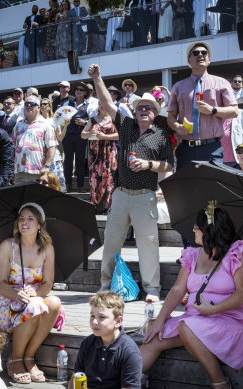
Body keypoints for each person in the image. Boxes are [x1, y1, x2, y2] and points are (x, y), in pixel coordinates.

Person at [140, 204, 243, 388]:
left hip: (231, 320)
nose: (193, 230)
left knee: (187, 328)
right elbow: (177, 290)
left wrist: (213, 309)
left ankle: (220, 383)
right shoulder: (192, 255)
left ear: (209, 230)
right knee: (152, 340)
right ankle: (123, 382)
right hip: (195, 318)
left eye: (197, 227)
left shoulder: (238, 253)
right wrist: (160, 320)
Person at [89, 63, 174, 301]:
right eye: (140, 107)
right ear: (135, 112)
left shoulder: (161, 136)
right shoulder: (126, 126)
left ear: (155, 113)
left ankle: (152, 289)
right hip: (121, 194)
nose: (144, 110)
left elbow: (169, 165)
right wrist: (98, 78)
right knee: (111, 243)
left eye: (148, 107)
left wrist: (149, 165)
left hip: (145, 196)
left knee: (148, 245)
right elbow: (107, 103)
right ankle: (105, 285)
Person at [0, 202, 64, 384]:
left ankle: (28, 357)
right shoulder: (7, 246)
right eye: (21, 219)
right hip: (9, 302)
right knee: (33, 306)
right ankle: (15, 359)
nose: (24, 222)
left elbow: (48, 283)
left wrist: (35, 293)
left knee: (54, 302)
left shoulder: (47, 248)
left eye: (30, 219)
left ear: (39, 225)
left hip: (34, 299)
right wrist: (17, 295)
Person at [168, 41, 238, 170]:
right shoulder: (178, 87)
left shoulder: (221, 83)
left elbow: (234, 111)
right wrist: (177, 126)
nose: (200, 55)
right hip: (186, 149)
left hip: (212, 148)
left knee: (211, 190)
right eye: (195, 53)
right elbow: (171, 116)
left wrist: (213, 110)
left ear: (209, 60)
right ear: (189, 60)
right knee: (186, 189)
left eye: (204, 53)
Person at [69, 291, 142, 389]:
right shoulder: (87, 343)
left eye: (102, 317)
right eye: (92, 316)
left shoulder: (129, 352)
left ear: (118, 321)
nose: (94, 322)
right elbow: (76, 377)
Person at [80, 100, 119, 213]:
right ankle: (95, 204)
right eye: (100, 104)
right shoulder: (92, 119)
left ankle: (107, 205)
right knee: (94, 178)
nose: (102, 106)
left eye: (104, 104)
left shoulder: (113, 119)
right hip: (95, 153)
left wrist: (105, 136)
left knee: (108, 177)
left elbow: (118, 135)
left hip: (109, 151)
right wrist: (89, 133)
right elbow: (83, 135)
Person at [12, 95, 59, 184]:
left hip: (38, 172)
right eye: (27, 104)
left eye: (32, 104)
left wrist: (47, 167)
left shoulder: (46, 125)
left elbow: (51, 148)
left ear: (39, 107)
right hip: (19, 172)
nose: (29, 106)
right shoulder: (18, 125)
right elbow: (12, 147)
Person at [63, 82, 90, 193]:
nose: (78, 91)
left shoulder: (89, 105)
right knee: (68, 162)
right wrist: (65, 122)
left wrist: (84, 122)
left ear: (85, 93)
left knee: (80, 162)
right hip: (68, 136)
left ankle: (80, 186)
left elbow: (92, 121)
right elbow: (60, 118)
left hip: (81, 137)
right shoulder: (67, 103)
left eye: (81, 89)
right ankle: (68, 185)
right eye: (77, 89)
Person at [39, 97, 67, 192]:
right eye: (41, 104)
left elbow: (59, 139)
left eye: (45, 104)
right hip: (41, 154)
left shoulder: (54, 121)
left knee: (57, 180)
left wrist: (66, 126)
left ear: (50, 107)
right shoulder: (36, 121)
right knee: (43, 180)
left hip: (54, 154)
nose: (42, 106)